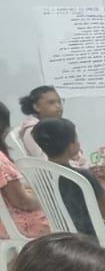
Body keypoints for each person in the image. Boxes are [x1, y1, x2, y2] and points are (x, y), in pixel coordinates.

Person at [17, 84, 105, 220]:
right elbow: (48, 163)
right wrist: (89, 172)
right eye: (52, 102)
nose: (59, 106)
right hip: (69, 179)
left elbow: (76, 157)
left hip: (80, 173)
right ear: (36, 107)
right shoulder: (34, 132)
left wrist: (94, 168)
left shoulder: (60, 125)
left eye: (60, 102)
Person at [0, 100, 49, 241]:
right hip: (17, 226)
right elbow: (23, 202)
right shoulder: (1, 161)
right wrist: (44, 199)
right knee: (66, 215)